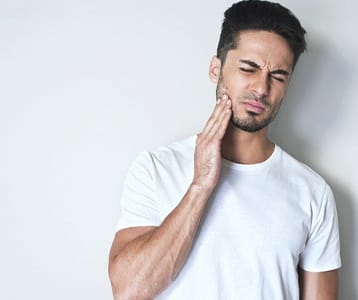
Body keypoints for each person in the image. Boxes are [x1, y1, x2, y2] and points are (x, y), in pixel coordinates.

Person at [108, 1, 341, 299]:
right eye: (249, 68)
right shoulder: (155, 170)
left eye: (278, 76)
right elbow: (128, 290)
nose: (261, 88)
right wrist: (200, 186)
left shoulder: (312, 192)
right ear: (215, 69)